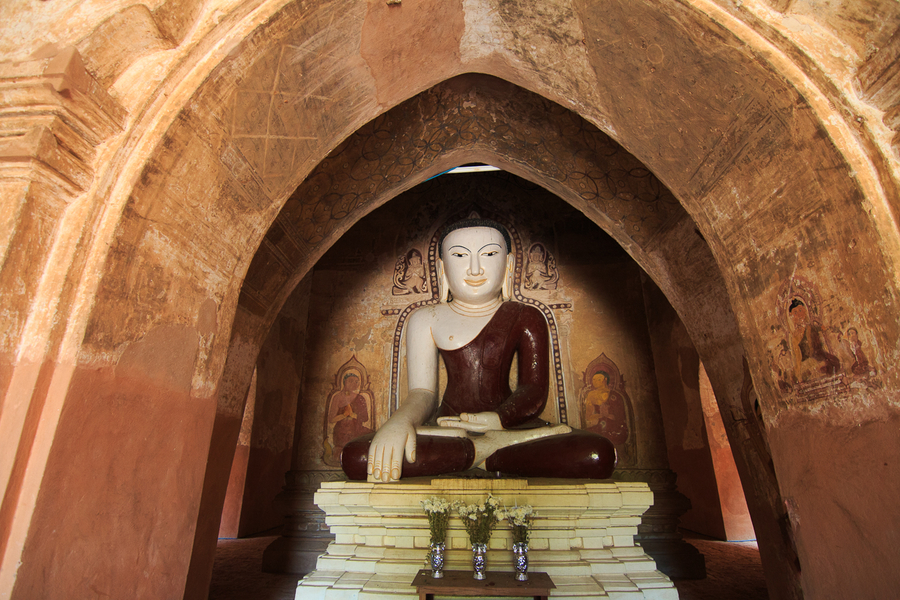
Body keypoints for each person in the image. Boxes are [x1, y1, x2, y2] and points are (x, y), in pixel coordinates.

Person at [341, 219, 616, 482]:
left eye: (489, 254)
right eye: (460, 256)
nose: (475, 269)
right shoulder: (425, 319)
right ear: (442, 268)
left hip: (509, 429)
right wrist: (400, 423)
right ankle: (489, 453)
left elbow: (533, 390)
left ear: (509, 265)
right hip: (449, 429)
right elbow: (422, 393)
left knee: (596, 454)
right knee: (360, 457)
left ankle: (473, 454)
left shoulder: (526, 316)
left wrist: (499, 419)